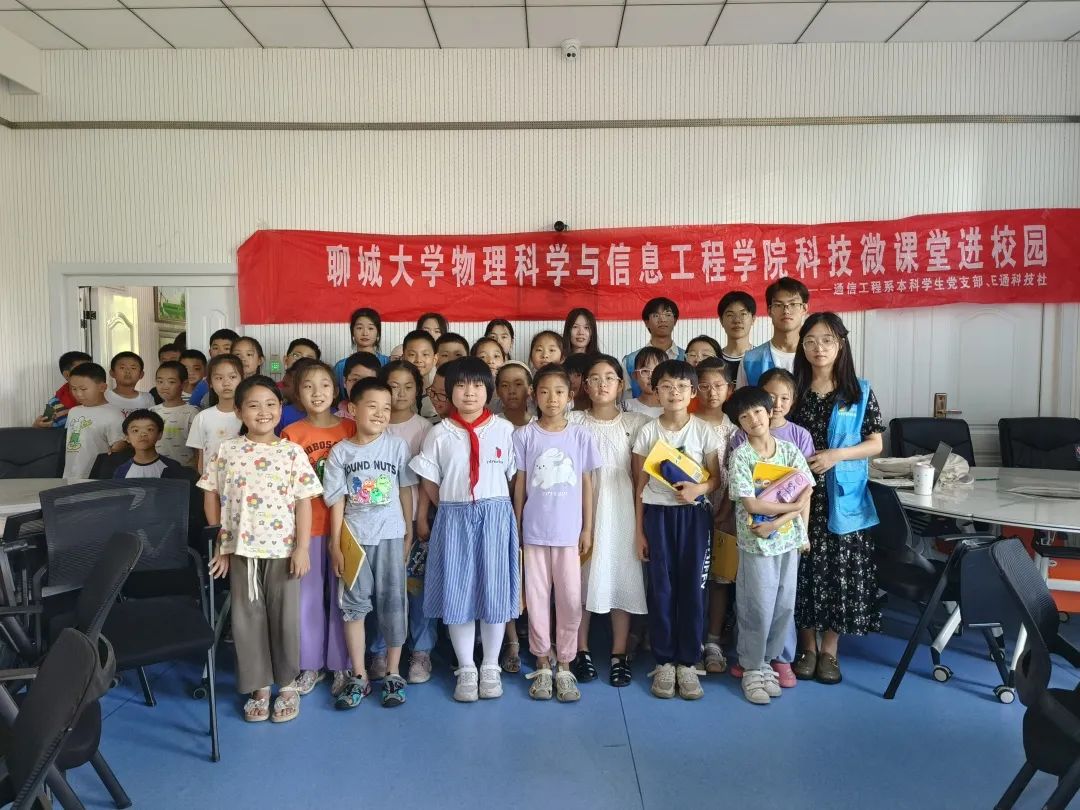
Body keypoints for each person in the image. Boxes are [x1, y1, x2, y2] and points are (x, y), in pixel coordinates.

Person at [201, 375, 323, 724]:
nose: (263, 411)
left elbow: (304, 502)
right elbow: (211, 494)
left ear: (280, 409)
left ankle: (287, 685)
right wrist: (221, 546)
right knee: (246, 620)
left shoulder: (291, 452)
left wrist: (302, 548)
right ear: (239, 412)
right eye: (253, 405)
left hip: (283, 551)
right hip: (242, 551)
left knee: (285, 619)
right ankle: (259, 688)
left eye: (270, 404)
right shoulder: (227, 451)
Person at [409, 358, 519, 703]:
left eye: (476, 385)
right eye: (460, 385)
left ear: (489, 390)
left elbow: (512, 476)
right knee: (458, 593)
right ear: (448, 391)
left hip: (496, 516)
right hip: (454, 518)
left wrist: (497, 510)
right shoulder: (439, 433)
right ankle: (467, 668)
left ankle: (491, 665)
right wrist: (449, 508)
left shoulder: (504, 430)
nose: (469, 392)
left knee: (494, 591)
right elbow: (429, 478)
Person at [789, 312, 885, 685]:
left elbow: (875, 443)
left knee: (839, 574)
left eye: (827, 340)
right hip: (798, 494)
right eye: (810, 340)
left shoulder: (857, 391)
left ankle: (830, 650)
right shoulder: (793, 389)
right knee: (802, 569)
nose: (819, 348)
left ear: (841, 344)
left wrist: (836, 455)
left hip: (842, 497)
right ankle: (806, 648)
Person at [632, 359, 722, 700]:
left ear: (693, 392)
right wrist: (639, 531)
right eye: (666, 386)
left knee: (693, 588)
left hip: (694, 518)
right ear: (656, 391)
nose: (674, 393)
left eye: (682, 386)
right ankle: (664, 661)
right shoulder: (647, 431)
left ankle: (688, 661)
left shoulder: (703, 430)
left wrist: (699, 489)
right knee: (661, 588)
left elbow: (716, 479)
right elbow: (639, 485)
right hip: (657, 516)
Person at [324, 378, 416, 710]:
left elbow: (405, 489)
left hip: (391, 535)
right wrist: (335, 544)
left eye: (386, 408)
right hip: (355, 541)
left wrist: (408, 530)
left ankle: (393, 672)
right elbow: (337, 500)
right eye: (372, 406)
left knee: (394, 603)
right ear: (352, 409)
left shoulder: (397, 447)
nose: (380, 413)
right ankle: (359, 676)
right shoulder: (341, 452)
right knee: (354, 607)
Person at [513, 364, 601, 703]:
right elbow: (520, 483)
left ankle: (564, 662)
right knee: (536, 599)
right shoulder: (524, 436)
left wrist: (588, 527)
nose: (552, 398)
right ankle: (541, 661)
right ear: (534, 395)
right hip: (534, 533)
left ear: (570, 396)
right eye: (545, 392)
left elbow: (587, 483)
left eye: (559, 392)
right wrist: (517, 525)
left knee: (569, 599)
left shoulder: (580, 436)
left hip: (569, 534)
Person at [725, 386, 813, 705]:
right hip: (756, 544)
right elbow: (752, 505)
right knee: (757, 606)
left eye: (758, 411)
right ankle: (751, 666)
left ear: (770, 411)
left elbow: (806, 492)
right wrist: (790, 510)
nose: (753, 419)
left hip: (788, 541)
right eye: (744, 416)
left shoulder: (789, 450)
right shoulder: (741, 456)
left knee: (784, 605)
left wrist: (791, 527)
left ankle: (769, 662)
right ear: (739, 423)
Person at [569, 354, 649, 688]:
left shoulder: (637, 423)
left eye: (609, 378)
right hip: (579, 512)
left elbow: (641, 480)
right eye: (595, 378)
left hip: (622, 512)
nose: (602, 384)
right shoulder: (573, 421)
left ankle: (619, 653)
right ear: (585, 386)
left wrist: (640, 528)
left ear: (620, 385)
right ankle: (580, 649)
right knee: (580, 580)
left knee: (622, 576)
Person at [280, 361, 356, 700]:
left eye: (324, 385)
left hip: (347, 528)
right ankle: (310, 664)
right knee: (307, 599)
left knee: (343, 598)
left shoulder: (351, 429)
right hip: (307, 529)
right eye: (308, 386)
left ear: (336, 390)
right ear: (297, 393)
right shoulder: (291, 434)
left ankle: (341, 663)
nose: (317, 392)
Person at [371, 360, 435, 685]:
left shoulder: (424, 429)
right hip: (379, 526)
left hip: (414, 521)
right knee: (383, 592)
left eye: (408, 387)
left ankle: (421, 650)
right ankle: (380, 650)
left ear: (418, 391)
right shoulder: (374, 426)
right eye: (393, 386)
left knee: (417, 590)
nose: (400, 393)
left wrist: (421, 518)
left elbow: (426, 480)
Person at [692, 357, 739, 675]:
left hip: (727, 513)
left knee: (719, 579)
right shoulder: (687, 423)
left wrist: (725, 511)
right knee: (693, 578)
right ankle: (691, 638)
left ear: (730, 389)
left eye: (718, 386)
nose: (711, 392)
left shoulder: (735, 430)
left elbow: (738, 475)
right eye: (704, 386)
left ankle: (713, 640)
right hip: (691, 513)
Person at [737, 278, 809, 389]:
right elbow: (742, 400)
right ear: (769, 310)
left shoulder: (815, 355)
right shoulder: (750, 360)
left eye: (793, 304)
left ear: (804, 308)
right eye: (779, 305)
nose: (786, 311)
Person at [730, 368, 815, 461]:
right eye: (771, 397)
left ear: (793, 401)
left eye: (784, 398)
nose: (777, 404)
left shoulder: (801, 435)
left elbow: (805, 468)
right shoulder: (743, 433)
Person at [62, 362, 126, 479]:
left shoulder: (113, 414)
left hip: (96, 477)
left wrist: (119, 447)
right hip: (70, 475)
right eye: (74, 389)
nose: (78, 394)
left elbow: (119, 446)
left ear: (102, 387)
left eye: (83, 389)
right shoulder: (73, 412)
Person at [186, 354, 243, 473]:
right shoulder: (202, 417)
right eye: (219, 378)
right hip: (212, 482)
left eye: (232, 377)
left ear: (242, 380)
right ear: (210, 383)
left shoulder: (249, 417)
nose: (226, 383)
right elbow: (200, 459)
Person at [623, 297, 685, 399]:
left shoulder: (686, 358)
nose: (662, 320)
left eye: (668, 315)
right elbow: (626, 398)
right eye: (656, 315)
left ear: (675, 321)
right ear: (646, 322)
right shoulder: (630, 361)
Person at [112, 409, 186, 479]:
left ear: (159, 434)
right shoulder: (121, 471)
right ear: (127, 437)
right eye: (135, 430)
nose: (143, 434)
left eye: (150, 429)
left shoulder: (173, 467)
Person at [151, 361, 199, 468]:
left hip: (185, 471)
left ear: (184, 384)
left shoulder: (193, 413)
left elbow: (198, 449)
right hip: (156, 470)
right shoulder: (152, 412)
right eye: (160, 381)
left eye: (171, 382)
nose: (164, 386)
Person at [333, 308, 389, 393]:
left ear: (378, 333)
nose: (365, 333)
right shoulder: (340, 366)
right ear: (352, 332)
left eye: (370, 328)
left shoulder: (387, 363)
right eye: (359, 328)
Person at [32, 350, 91, 430]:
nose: (89, 374)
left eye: (91, 370)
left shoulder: (98, 397)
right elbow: (43, 430)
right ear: (67, 375)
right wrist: (37, 426)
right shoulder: (54, 403)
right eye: (82, 370)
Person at [189, 328, 240, 408]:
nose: (220, 352)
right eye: (216, 348)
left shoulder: (245, 379)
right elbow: (192, 408)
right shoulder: (203, 384)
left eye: (226, 348)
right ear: (210, 352)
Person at [717, 290, 756, 382]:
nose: (737, 320)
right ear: (721, 321)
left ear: (753, 319)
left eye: (743, 314)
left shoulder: (761, 358)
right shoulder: (715, 360)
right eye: (730, 315)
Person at [105, 352, 155, 417]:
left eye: (133, 368)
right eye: (122, 368)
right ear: (112, 373)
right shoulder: (104, 397)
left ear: (141, 374)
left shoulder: (147, 398)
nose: (128, 371)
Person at [336, 351, 383, 416]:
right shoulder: (335, 419)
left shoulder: (384, 417)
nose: (361, 386)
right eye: (355, 379)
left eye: (369, 381)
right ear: (344, 382)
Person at [624, 347, 665, 418]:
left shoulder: (672, 409)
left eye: (657, 371)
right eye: (645, 371)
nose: (651, 376)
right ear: (635, 375)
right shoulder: (625, 407)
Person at [495, 362, 533, 429]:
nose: (511, 391)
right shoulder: (490, 425)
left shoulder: (541, 425)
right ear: (497, 391)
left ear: (530, 389)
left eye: (518, 384)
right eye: (505, 385)